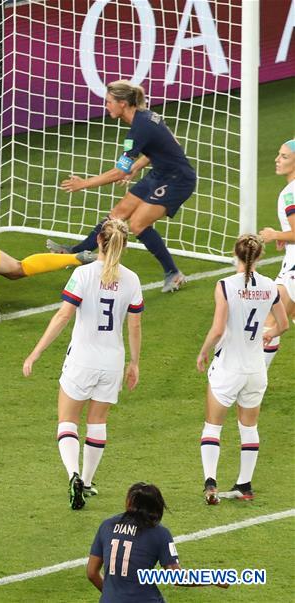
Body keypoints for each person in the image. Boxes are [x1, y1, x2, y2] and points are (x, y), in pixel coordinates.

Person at [23, 219, 143, 510]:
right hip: (112, 361)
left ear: (98, 241)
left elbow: (63, 316)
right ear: (123, 245)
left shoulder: (83, 274)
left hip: (82, 360)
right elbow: (135, 325)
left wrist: (36, 352)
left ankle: (73, 474)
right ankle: (87, 482)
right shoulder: (132, 279)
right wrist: (134, 363)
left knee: (67, 421)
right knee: (98, 422)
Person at [47, 80, 196, 293]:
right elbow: (172, 143)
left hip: (177, 180)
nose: (106, 106)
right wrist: (136, 166)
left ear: (123, 103)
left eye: (109, 102)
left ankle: (173, 273)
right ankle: (76, 252)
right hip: (160, 174)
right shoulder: (144, 118)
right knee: (117, 214)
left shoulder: (139, 127)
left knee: (137, 224)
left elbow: (119, 172)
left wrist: (84, 184)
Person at [196, 234, 288, 505]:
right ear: (259, 257)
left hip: (228, 367)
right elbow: (283, 325)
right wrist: (267, 333)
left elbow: (217, 329)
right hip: (255, 369)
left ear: (236, 255)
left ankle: (211, 483)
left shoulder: (225, 285)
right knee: (249, 427)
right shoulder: (271, 286)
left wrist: (203, 352)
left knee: (213, 426)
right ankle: (244, 485)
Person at [87, 482, 228, 600]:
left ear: (129, 502)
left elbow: (92, 573)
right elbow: (177, 577)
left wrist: (114, 596)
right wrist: (212, 578)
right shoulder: (159, 533)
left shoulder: (107, 526)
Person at [258, 139, 295, 367]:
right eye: (278, 154)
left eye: (284, 157)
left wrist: (275, 235)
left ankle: (254, 382)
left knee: (272, 321)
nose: (277, 160)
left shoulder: (290, 194)